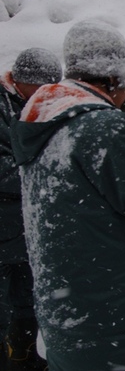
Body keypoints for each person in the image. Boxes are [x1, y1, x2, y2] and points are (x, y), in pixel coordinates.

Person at [9, 20, 125, 371]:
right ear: (112, 79)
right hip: (113, 317)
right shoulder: (102, 127)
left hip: (66, 314)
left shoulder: (43, 126)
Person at [1, 47, 62, 370]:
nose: (47, 94)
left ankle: (24, 356)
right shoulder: (3, 106)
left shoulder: (43, 104)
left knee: (29, 299)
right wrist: (41, 171)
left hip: (29, 226)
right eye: (41, 87)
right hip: (4, 222)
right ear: (20, 81)